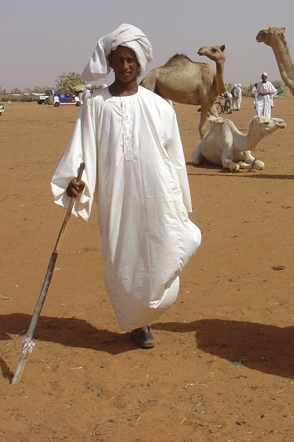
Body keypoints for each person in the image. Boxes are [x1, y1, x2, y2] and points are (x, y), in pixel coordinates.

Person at [51, 24, 202, 349]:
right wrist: (75, 184)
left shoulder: (160, 106)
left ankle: (149, 310)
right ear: (110, 63)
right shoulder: (95, 106)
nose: (124, 66)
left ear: (140, 62)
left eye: (130, 59)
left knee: (164, 248)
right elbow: (81, 152)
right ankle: (138, 322)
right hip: (117, 198)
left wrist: (181, 199)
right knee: (123, 261)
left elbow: (175, 157)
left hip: (157, 194)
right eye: (118, 60)